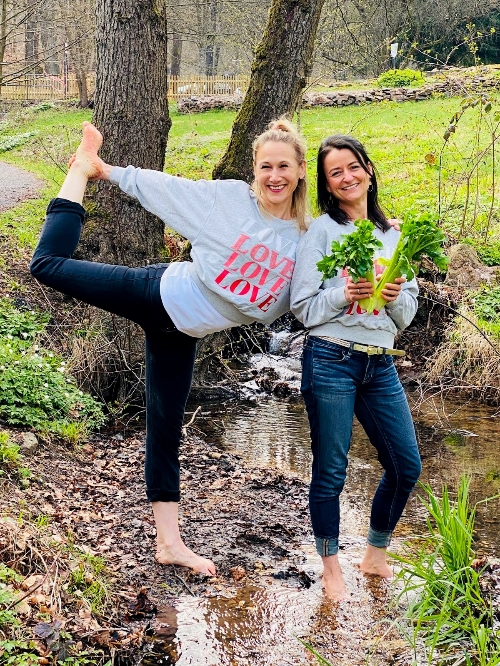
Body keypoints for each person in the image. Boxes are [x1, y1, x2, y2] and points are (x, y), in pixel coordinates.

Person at [30, 119, 308, 576]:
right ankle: (78, 170)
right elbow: (171, 189)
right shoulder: (230, 202)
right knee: (49, 265)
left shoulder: (306, 238)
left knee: (166, 428)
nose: (273, 176)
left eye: (283, 166)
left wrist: (381, 238)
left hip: (182, 333)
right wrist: (106, 171)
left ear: (299, 171)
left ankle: (170, 544)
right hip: (156, 292)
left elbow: (327, 277)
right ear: (254, 171)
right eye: (265, 166)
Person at [290, 134, 422, 601]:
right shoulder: (323, 231)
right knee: (332, 470)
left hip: (380, 364)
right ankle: (330, 567)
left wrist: (394, 298)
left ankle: (374, 553)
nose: (347, 177)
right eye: (335, 173)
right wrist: (343, 294)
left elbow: (406, 316)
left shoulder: (396, 234)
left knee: (406, 466)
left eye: (353, 167)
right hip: (331, 358)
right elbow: (302, 308)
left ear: (368, 168)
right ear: (327, 184)